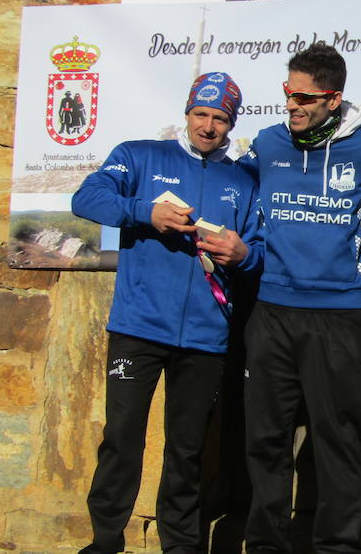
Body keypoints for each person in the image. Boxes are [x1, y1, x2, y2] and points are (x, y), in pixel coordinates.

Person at [72, 72, 263, 554]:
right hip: (138, 328)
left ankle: (181, 545)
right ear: (186, 112)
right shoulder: (140, 155)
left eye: (221, 118)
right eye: (201, 114)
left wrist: (243, 255)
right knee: (121, 439)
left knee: (189, 449)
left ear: (233, 122)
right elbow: (85, 198)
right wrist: (145, 212)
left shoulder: (244, 178)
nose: (209, 126)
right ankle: (105, 541)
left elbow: (260, 249)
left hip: (206, 337)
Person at [238, 43, 361, 553]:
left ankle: (337, 547)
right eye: (288, 92)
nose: (291, 104)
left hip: (338, 315)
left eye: (304, 97)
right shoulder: (266, 144)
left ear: (333, 98)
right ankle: (265, 545)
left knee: (339, 442)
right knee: (266, 440)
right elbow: (239, 196)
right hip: (270, 311)